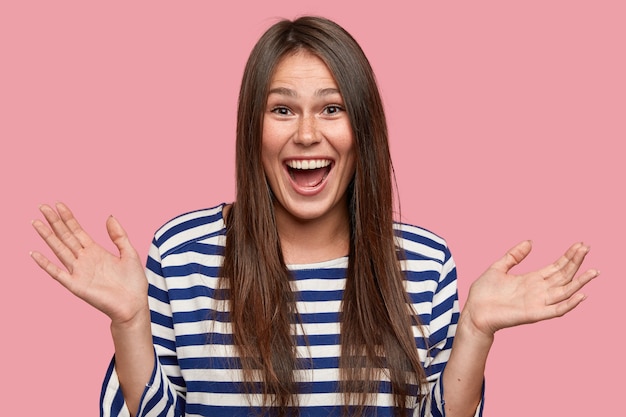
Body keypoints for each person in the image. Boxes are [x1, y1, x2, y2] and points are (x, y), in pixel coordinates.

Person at [30, 16, 598, 417]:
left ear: (364, 129)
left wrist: (474, 331)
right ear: (252, 129)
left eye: (332, 108)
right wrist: (130, 324)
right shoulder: (182, 255)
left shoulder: (425, 265)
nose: (306, 134)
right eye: (282, 109)